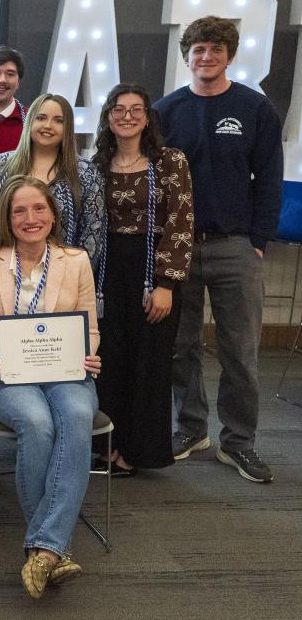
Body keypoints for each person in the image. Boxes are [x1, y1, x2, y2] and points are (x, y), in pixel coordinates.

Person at [0, 175, 101, 599]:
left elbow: (89, 326)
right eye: (20, 211)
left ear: (53, 214)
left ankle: (43, 548)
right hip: (0, 371)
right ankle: (53, 547)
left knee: (78, 415)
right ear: (7, 219)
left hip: (63, 369)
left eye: (39, 209)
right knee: (37, 422)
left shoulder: (75, 259)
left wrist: (87, 353)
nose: (31, 218)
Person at [154, 15, 282, 483]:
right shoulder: (165, 111)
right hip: (179, 248)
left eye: (215, 49)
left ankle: (239, 442)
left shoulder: (254, 108)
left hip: (236, 248)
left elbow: (268, 179)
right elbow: (156, 183)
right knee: (179, 347)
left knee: (240, 351)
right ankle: (191, 429)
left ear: (229, 54)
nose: (206, 57)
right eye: (199, 49)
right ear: (186, 56)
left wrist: (258, 243)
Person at [91, 84, 193, 475]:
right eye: (119, 109)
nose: (128, 116)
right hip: (107, 272)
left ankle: (138, 451)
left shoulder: (170, 161)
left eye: (136, 109)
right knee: (110, 360)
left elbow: (181, 223)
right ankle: (106, 445)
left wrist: (166, 283)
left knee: (148, 362)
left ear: (148, 117)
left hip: (154, 272)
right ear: (108, 117)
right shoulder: (97, 164)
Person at [0, 93, 105, 268]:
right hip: (5, 271)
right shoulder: (1, 166)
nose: (48, 125)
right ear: (30, 121)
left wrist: (77, 276)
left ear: (68, 127)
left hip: (64, 275)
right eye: (41, 118)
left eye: (58, 120)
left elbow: (93, 233)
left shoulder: (86, 173)